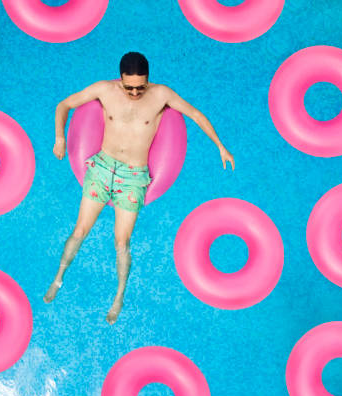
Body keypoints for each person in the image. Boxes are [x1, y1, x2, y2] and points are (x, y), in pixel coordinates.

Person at [43, 51, 234, 324]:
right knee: (80, 231)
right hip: (101, 167)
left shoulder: (161, 95)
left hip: (133, 176)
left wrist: (220, 147)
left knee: (121, 241)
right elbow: (64, 105)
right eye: (128, 87)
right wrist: (60, 138)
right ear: (120, 79)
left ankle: (118, 295)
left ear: (149, 81)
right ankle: (59, 277)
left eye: (140, 87)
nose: (134, 93)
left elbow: (194, 114)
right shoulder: (104, 90)